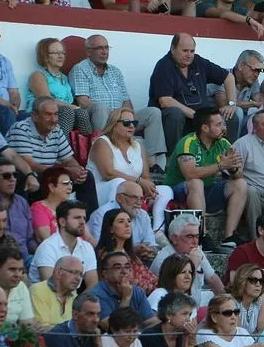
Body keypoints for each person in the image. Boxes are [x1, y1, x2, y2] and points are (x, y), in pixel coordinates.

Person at [69, 34, 167, 168]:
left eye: (106, 48)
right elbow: (83, 101)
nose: (104, 52)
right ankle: (104, 155)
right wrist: (112, 114)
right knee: (100, 107)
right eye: (99, 48)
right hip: (100, 116)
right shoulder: (80, 69)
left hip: (120, 117)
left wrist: (124, 116)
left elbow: (126, 100)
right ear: (88, 52)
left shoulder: (115, 71)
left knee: (153, 112)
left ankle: (153, 164)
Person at [163, 107, 246, 247]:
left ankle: (229, 237)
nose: (223, 128)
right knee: (196, 182)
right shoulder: (188, 142)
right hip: (178, 193)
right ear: (205, 128)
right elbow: (190, 174)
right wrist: (221, 165)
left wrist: (232, 168)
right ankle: (203, 234)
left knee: (240, 184)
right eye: (218, 124)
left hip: (205, 191)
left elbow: (239, 174)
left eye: (223, 124)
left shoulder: (223, 143)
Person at [148, 33, 238, 151]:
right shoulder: (163, 66)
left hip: (201, 117)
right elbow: (165, 101)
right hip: (180, 119)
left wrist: (231, 104)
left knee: (230, 116)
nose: (189, 55)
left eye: (192, 51)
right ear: (173, 49)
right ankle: (174, 156)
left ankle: (226, 155)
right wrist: (196, 116)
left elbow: (228, 77)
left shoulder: (198, 62)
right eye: (185, 51)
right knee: (175, 114)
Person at [87, 108, 171, 230]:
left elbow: (146, 177)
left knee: (165, 190)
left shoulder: (138, 145)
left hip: (132, 191)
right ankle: (115, 225)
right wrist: (138, 182)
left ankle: (158, 230)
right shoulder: (102, 142)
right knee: (119, 183)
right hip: (100, 189)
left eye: (134, 123)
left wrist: (148, 189)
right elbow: (108, 173)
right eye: (126, 123)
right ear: (114, 124)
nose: (131, 126)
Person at [26, 38, 90, 135]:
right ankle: (60, 142)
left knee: (82, 113)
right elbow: (46, 100)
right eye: (56, 53)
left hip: (65, 113)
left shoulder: (64, 77)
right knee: (68, 111)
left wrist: (76, 108)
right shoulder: (38, 75)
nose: (61, 56)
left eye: (62, 53)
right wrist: (73, 107)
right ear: (45, 56)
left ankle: (90, 142)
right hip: (43, 113)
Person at [29, 200, 98, 286]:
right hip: (47, 294)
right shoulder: (47, 247)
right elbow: (51, 286)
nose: (82, 222)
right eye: (77, 218)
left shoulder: (87, 247)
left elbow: (92, 285)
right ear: (62, 222)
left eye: (84, 218)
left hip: (73, 294)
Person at [88, 251, 158, 330]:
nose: (124, 271)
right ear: (105, 273)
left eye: (127, 267)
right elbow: (112, 327)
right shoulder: (96, 295)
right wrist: (126, 298)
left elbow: (149, 320)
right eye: (118, 268)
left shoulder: (137, 291)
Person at [29, 255, 83, 328]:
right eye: (73, 273)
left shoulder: (74, 295)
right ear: (58, 272)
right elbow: (42, 328)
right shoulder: (38, 290)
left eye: (80, 274)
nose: (78, 278)